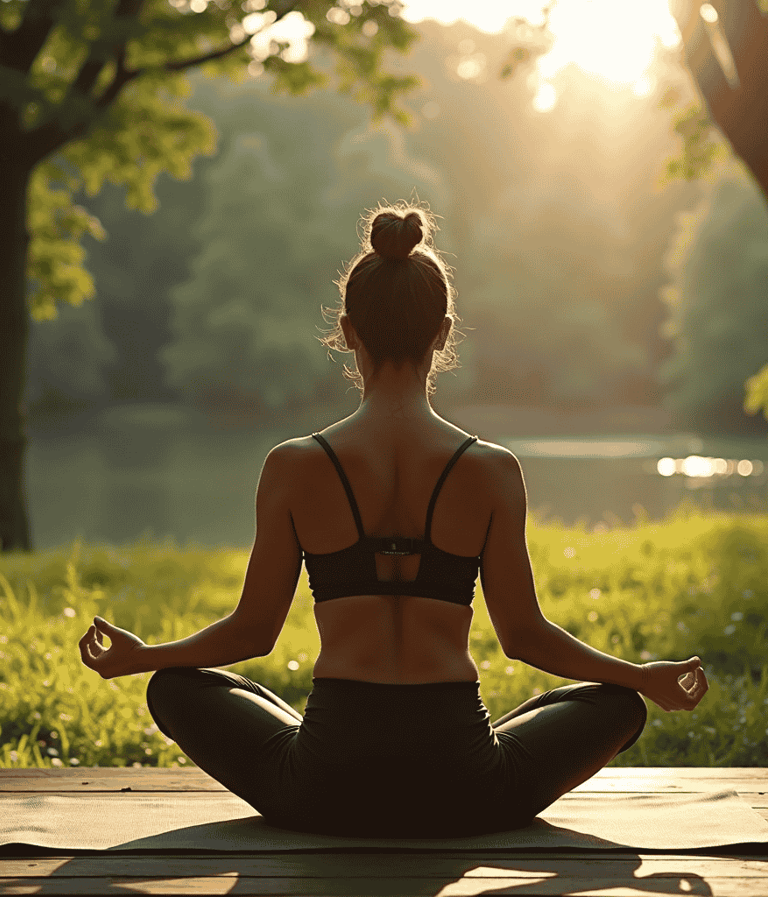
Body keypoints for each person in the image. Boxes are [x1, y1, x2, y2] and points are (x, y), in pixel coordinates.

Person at [79, 202, 708, 838]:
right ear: (443, 333)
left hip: (322, 787)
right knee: (614, 705)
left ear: (349, 332)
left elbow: (253, 632)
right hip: (466, 789)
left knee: (175, 688)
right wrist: (641, 677)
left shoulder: (295, 466)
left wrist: (145, 656)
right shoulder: (491, 470)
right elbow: (524, 636)